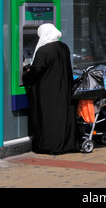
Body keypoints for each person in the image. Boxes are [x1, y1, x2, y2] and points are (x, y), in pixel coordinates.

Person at [23, 23, 77, 155]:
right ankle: (64, 144)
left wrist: (26, 73)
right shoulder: (64, 47)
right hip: (62, 90)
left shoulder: (43, 51)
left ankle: (48, 145)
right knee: (61, 118)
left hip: (47, 92)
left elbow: (36, 70)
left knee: (48, 119)